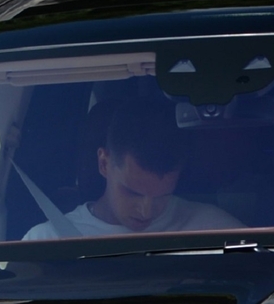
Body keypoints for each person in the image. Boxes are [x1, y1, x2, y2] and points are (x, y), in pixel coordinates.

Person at [24, 97, 241, 239]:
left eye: (162, 196)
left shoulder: (215, 231)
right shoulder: (47, 241)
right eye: (132, 192)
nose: (146, 211)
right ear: (104, 163)